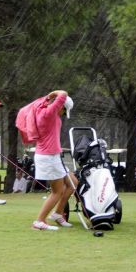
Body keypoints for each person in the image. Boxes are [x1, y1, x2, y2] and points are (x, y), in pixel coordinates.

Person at [30, 90, 78, 231]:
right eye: (64, 110)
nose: (63, 114)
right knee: (57, 191)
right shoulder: (49, 114)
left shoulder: (44, 109)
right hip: (47, 157)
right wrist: (53, 94)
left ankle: (57, 214)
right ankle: (39, 221)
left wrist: (49, 97)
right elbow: (63, 94)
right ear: (60, 106)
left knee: (73, 183)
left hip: (53, 155)